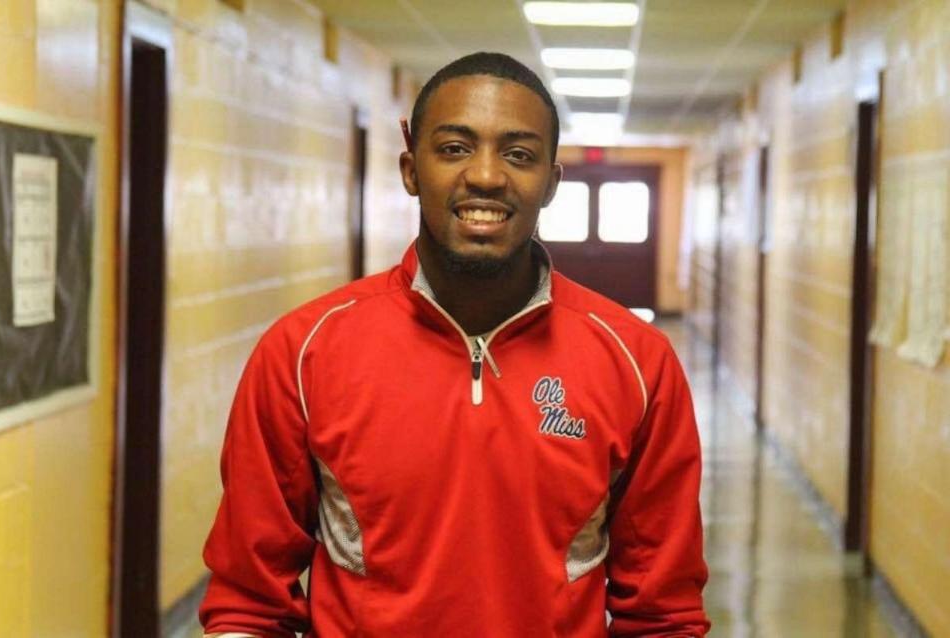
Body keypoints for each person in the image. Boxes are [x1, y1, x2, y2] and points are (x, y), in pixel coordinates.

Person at [199, 52, 709, 637]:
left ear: (550, 183)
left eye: (518, 154)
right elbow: (248, 602)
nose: (487, 176)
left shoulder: (637, 362)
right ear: (411, 169)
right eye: (454, 148)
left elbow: (664, 615)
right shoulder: (304, 352)